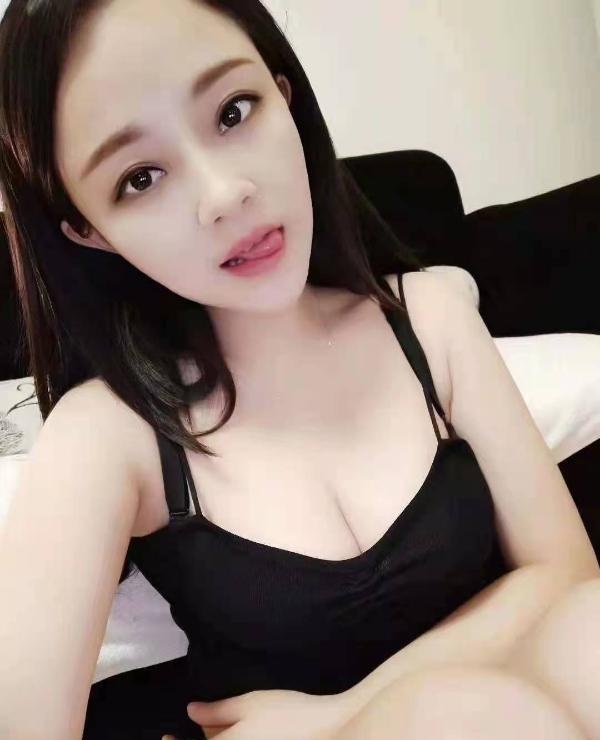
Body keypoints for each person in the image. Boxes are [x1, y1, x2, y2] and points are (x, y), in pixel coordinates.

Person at [0, 1, 599, 739]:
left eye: (233, 111)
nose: (225, 195)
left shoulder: (430, 319)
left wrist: (339, 712)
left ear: (284, 95)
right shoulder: (107, 434)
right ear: (89, 229)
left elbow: (567, 573)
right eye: (141, 177)